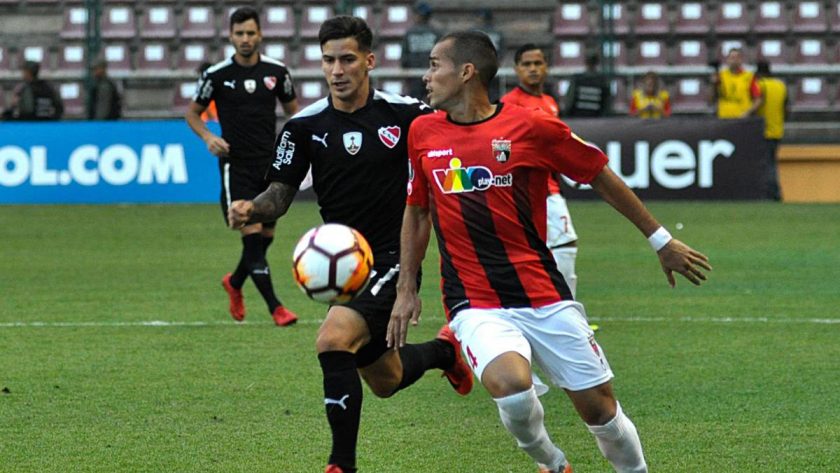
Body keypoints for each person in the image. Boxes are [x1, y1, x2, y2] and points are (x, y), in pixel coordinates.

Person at [389, 31, 712, 473]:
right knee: (513, 388)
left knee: (600, 411)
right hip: (475, 301)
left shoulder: (530, 127)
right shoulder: (423, 132)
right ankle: (554, 464)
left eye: (433, 65)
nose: (426, 77)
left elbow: (598, 172)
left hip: (544, 294)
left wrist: (660, 240)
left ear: (465, 72)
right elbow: (417, 211)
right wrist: (407, 287)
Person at [227, 16, 473, 473]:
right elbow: (280, 195)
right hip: (349, 268)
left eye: (347, 59)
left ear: (369, 60)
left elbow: (451, 159)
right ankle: (444, 352)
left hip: (396, 254)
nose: (337, 70)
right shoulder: (303, 127)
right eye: (328, 61)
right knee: (386, 378)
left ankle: (341, 465)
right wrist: (251, 209)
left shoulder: (407, 115)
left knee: (332, 340)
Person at [185, 7, 300, 326]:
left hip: (268, 164)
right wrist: (209, 136)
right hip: (235, 165)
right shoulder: (217, 75)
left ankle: (234, 282)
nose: (245, 39)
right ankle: (277, 308)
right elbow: (192, 113)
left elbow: (294, 112)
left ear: (260, 34)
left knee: (266, 236)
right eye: (240, 33)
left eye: (251, 33)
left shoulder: (277, 72)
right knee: (252, 238)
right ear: (231, 36)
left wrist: (291, 145)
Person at [500, 44, 579, 298]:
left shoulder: (549, 102)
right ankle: (569, 313)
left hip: (548, 185)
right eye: (526, 64)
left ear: (546, 67)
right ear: (516, 69)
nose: (533, 69)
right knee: (564, 244)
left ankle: (552, 307)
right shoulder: (509, 104)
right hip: (531, 190)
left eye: (538, 63)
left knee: (545, 249)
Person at [754, 60, 787, 201]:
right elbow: (786, 107)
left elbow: (756, 104)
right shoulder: (781, 85)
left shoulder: (760, 85)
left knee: (767, 165)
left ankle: (772, 194)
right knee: (772, 162)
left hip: (764, 130)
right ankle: (773, 193)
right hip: (777, 129)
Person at [400, 1, 441, 100]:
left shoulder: (410, 33)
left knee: (415, 105)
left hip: (414, 77)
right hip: (432, 75)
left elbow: (404, 59)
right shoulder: (436, 33)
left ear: (418, 15)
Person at [710, 47, 762, 119]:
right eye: (732, 57)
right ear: (727, 60)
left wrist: (747, 113)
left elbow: (758, 100)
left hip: (741, 119)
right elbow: (711, 100)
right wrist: (713, 85)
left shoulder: (749, 76)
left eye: (737, 57)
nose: (734, 60)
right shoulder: (720, 76)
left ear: (741, 60)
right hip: (724, 118)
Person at [563, 53, 611, 117]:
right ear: (597, 63)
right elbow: (607, 103)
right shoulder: (602, 81)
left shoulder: (577, 79)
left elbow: (569, 101)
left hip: (578, 117)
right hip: (596, 119)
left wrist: (567, 113)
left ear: (586, 62)